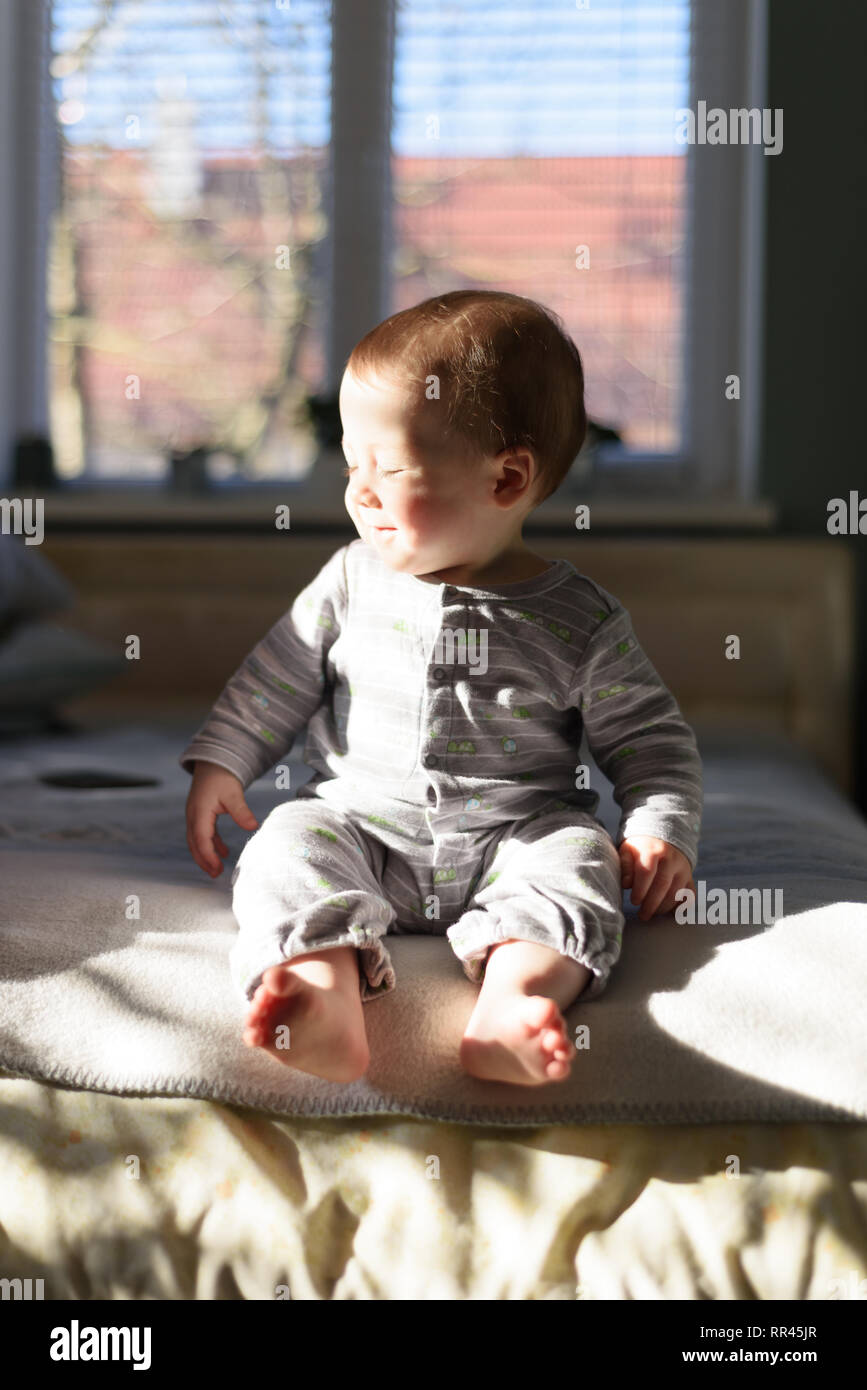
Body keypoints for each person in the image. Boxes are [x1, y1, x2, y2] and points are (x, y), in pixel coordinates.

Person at [181, 290, 702, 1087]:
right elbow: (277, 674)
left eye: (386, 468)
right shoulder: (350, 579)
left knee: (579, 861)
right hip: (365, 831)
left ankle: (518, 998)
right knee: (287, 841)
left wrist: (658, 828)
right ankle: (320, 988)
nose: (358, 490)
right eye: (353, 464)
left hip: (514, 840)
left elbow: (650, 743)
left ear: (507, 478)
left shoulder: (579, 620)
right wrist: (224, 761)